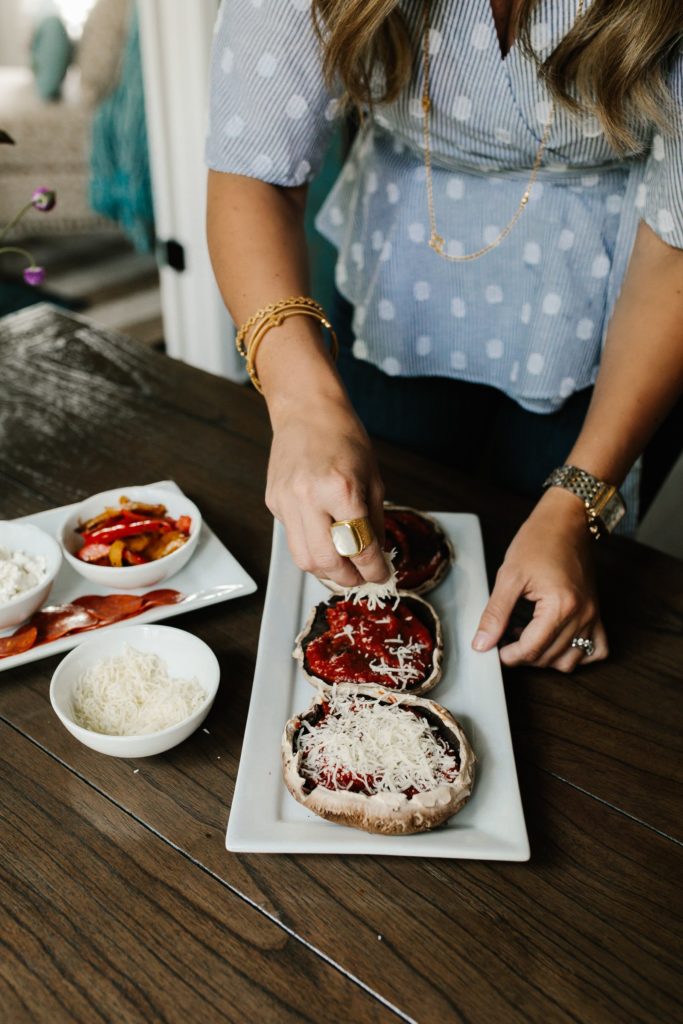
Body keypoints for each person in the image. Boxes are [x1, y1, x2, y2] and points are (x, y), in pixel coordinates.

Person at [205, 0, 683, 673]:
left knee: (548, 620)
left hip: (627, 303)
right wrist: (303, 405)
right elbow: (252, 169)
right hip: (395, 278)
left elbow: (676, 248)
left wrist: (579, 503)